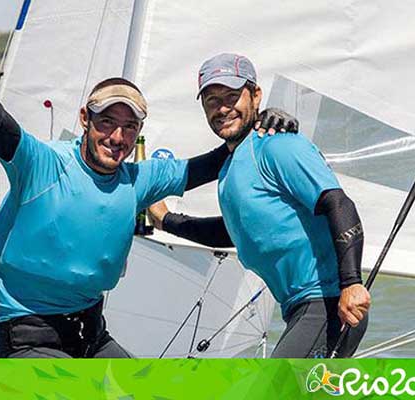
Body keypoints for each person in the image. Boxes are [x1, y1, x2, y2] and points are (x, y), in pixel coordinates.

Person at [0, 2, 299, 358]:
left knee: (146, 390)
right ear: (85, 119)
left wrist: (261, 121)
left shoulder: (138, 180)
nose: (117, 137)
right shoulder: (42, 165)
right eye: (107, 122)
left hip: (91, 336)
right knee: (73, 389)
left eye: (129, 127)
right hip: (29, 338)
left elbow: (213, 162)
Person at [149, 53, 370, 358]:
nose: (222, 108)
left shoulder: (278, 145)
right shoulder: (230, 166)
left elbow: (339, 204)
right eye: (212, 100)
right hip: (301, 310)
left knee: (270, 384)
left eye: (231, 96)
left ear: (255, 95)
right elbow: (232, 232)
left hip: (331, 305)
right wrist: (166, 220)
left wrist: (352, 283)